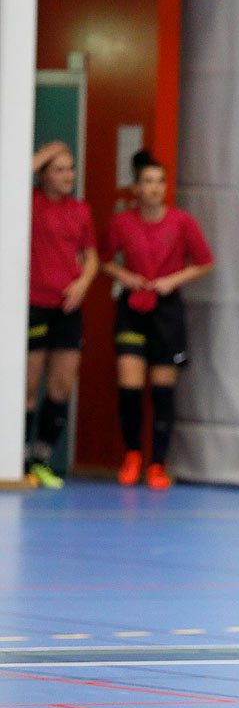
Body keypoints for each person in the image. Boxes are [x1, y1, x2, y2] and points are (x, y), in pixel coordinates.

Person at [101, 150, 216, 489]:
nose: (154, 188)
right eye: (147, 182)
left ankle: (157, 463)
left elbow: (205, 261)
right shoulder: (122, 222)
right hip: (133, 310)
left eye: (159, 182)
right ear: (136, 188)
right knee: (130, 389)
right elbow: (102, 259)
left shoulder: (181, 222)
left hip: (167, 310)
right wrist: (124, 274)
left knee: (163, 390)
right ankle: (133, 454)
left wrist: (172, 280)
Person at [25, 141, 98, 488]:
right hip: (34, 305)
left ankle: (41, 459)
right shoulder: (30, 203)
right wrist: (46, 151)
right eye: (59, 169)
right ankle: (20, 459)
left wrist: (82, 283)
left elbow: (92, 256)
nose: (68, 175)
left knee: (61, 385)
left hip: (67, 309)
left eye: (71, 168)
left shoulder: (80, 210)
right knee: (27, 385)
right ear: (43, 175)